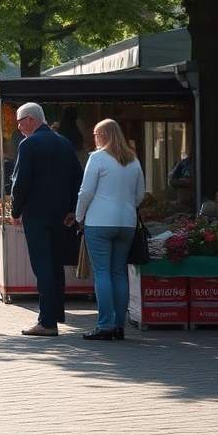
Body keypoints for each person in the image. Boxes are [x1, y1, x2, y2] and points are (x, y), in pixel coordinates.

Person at [11, 102, 84, 337]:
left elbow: (20, 182)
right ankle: (56, 313)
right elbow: (77, 178)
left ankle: (47, 321)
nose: (19, 128)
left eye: (20, 123)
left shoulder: (28, 144)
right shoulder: (63, 142)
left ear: (31, 119)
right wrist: (73, 209)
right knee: (55, 264)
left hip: (37, 215)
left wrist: (15, 211)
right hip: (61, 215)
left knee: (42, 266)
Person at [75, 119, 145, 341]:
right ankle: (119, 325)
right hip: (126, 223)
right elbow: (140, 194)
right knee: (118, 272)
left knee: (102, 273)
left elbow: (85, 192)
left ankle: (104, 325)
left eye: (96, 134)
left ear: (104, 136)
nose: (93, 139)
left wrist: (79, 216)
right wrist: (126, 208)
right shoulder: (133, 160)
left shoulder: (97, 159)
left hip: (99, 222)